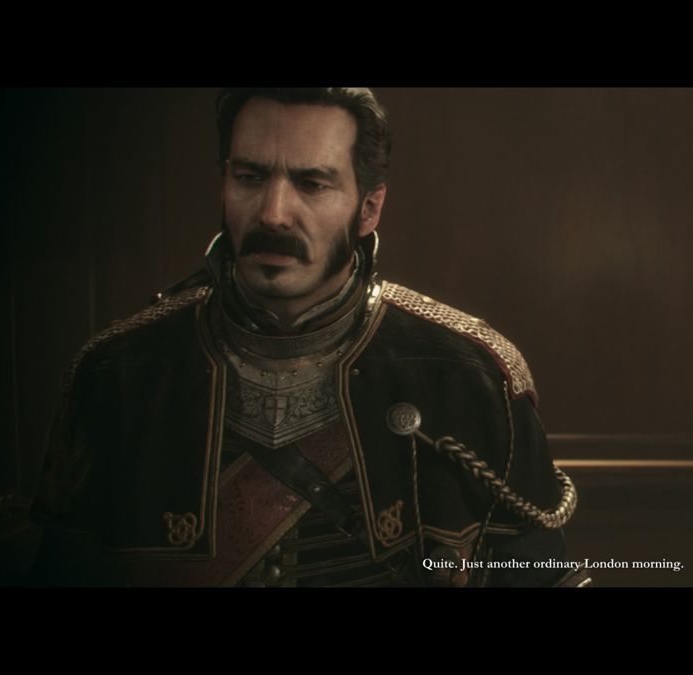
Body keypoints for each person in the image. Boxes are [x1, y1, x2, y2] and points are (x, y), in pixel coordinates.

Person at [29, 88, 585, 587]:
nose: (273, 214)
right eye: (250, 177)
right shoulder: (115, 374)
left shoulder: (472, 372)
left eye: (312, 183)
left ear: (369, 208)